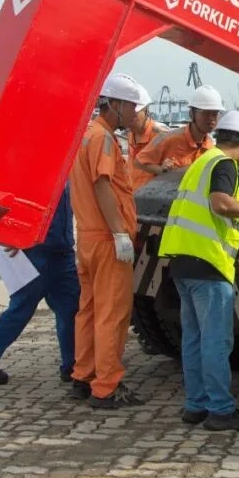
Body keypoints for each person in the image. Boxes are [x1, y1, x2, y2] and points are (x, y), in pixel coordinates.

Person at [157, 110, 239, 431]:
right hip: (209, 265)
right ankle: (220, 410)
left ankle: (195, 405)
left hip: (183, 264)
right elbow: (220, 203)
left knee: (194, 339)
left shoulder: (200, 163)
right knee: (216, 341)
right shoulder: (224, 164)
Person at [68, 72, 148, 409]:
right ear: (116, 105)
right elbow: (103, 185)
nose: (134, 115)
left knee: (88, 310)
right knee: (112, 315)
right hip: (105, 238)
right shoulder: (103, 139)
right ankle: (107, 386)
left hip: (87, 237)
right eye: (131, 108)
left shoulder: (86, 135)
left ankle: (83, 375)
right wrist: (119, 233)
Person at [0, 181, 78, 385]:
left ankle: (72, 365)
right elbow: (5, 194)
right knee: (23, 308)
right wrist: (9, 233)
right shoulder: (37, 164)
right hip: (36, 249)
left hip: (60, 249)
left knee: (70, 308)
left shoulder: (63, 163)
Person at [128, 85, 224, 191]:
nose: (211, 119)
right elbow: (139, 162)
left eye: (215, 114)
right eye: (206, 113)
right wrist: (161, 170)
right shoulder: (168, 138)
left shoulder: (210, 148)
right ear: (191, 114)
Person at [125, 82, 170, 163]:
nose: (130, 119)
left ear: (146, 111)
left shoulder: (159, 134)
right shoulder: (131, 135)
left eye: (134, 115)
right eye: (127, 114)